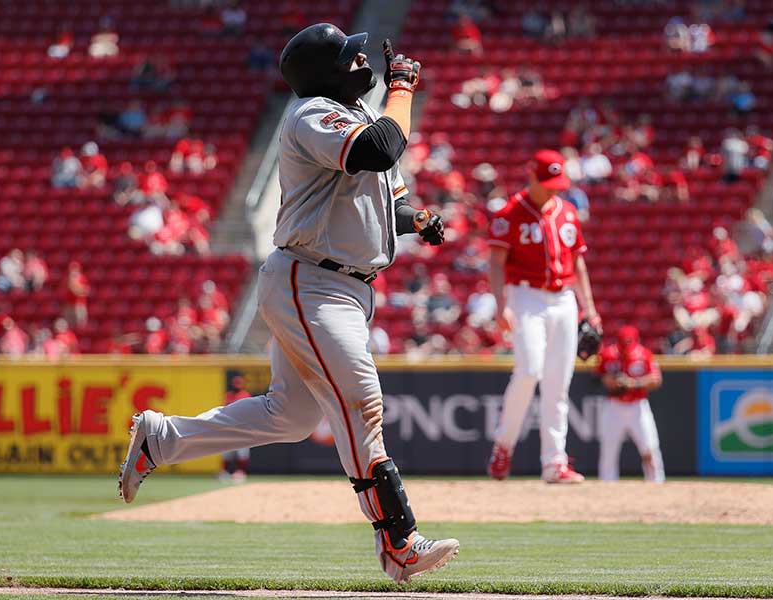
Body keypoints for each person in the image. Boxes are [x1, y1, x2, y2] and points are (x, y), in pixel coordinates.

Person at [118, 24, 458, 584]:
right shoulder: (311, 112)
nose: (361, 60)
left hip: (342, 284)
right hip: (313, 281)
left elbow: (383, 200)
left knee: (291, 416)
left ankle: (164, 438)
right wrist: (402, 87)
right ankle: (399, 540)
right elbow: (377, 151)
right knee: (361, 401)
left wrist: (416, 220)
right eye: (350, 57)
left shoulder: (359, 117)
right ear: (327, 73)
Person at [486, 149, 600, 484]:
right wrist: (500, 303)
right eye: (548, 182)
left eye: (558, 182)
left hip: (564, 297)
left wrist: (589, 307)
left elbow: (578, 262)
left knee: (558, 382)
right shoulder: (509, 213)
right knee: (530, 370)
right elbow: (495, 261)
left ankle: (554, 462)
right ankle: (503, 445)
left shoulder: (567, 211)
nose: (554, 189)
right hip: (526, 295)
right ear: (532, 176)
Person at [595, 327, 665, 483]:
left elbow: (656, 379)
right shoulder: (609, 354)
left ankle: (656, 483)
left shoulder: (644, 354)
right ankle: (606, 486)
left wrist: (634, 383)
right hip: (615, 406)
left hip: (637, 406)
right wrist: (616, 383)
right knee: (608, 450)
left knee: (650, 447)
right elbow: (602, 379)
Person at [218, 373, 252, 483]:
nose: (237, 385)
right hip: (229, 427)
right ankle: (225, 472)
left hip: (242, 428)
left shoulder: (245, 395)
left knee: (242, 452)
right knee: (226, 451)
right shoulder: (228, 395)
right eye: (235, 383)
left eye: (239, 383)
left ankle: (241, 472)